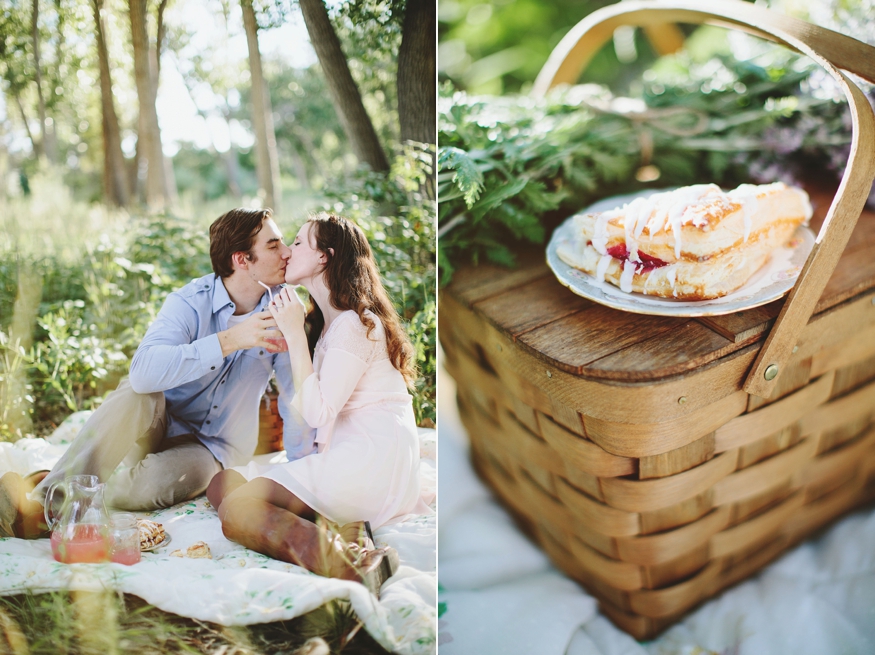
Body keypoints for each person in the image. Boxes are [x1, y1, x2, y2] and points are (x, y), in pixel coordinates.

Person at [0, 208, 309, 539]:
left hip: (215, 448)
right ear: (242, 259)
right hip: (157, 423)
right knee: (136, 393)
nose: (287, 252)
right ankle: (44, 505)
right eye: (274, 245)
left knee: (154, 485)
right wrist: (231, 339)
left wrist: (304, 479)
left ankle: (73, 483)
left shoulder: (284, 312)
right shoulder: (189, 302)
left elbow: (295, 399)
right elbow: (142, 374)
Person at [206, 212, 430, 595]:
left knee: (238, 510)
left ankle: (351, 564)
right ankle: (350, 532)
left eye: (297, 242)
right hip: (356, 460)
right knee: (221, 483)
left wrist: (293, 334)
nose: (288, 251)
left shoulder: (357, 324)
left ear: (324, 256)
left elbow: (317, 412)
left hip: (372, 464)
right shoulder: (330, 323)